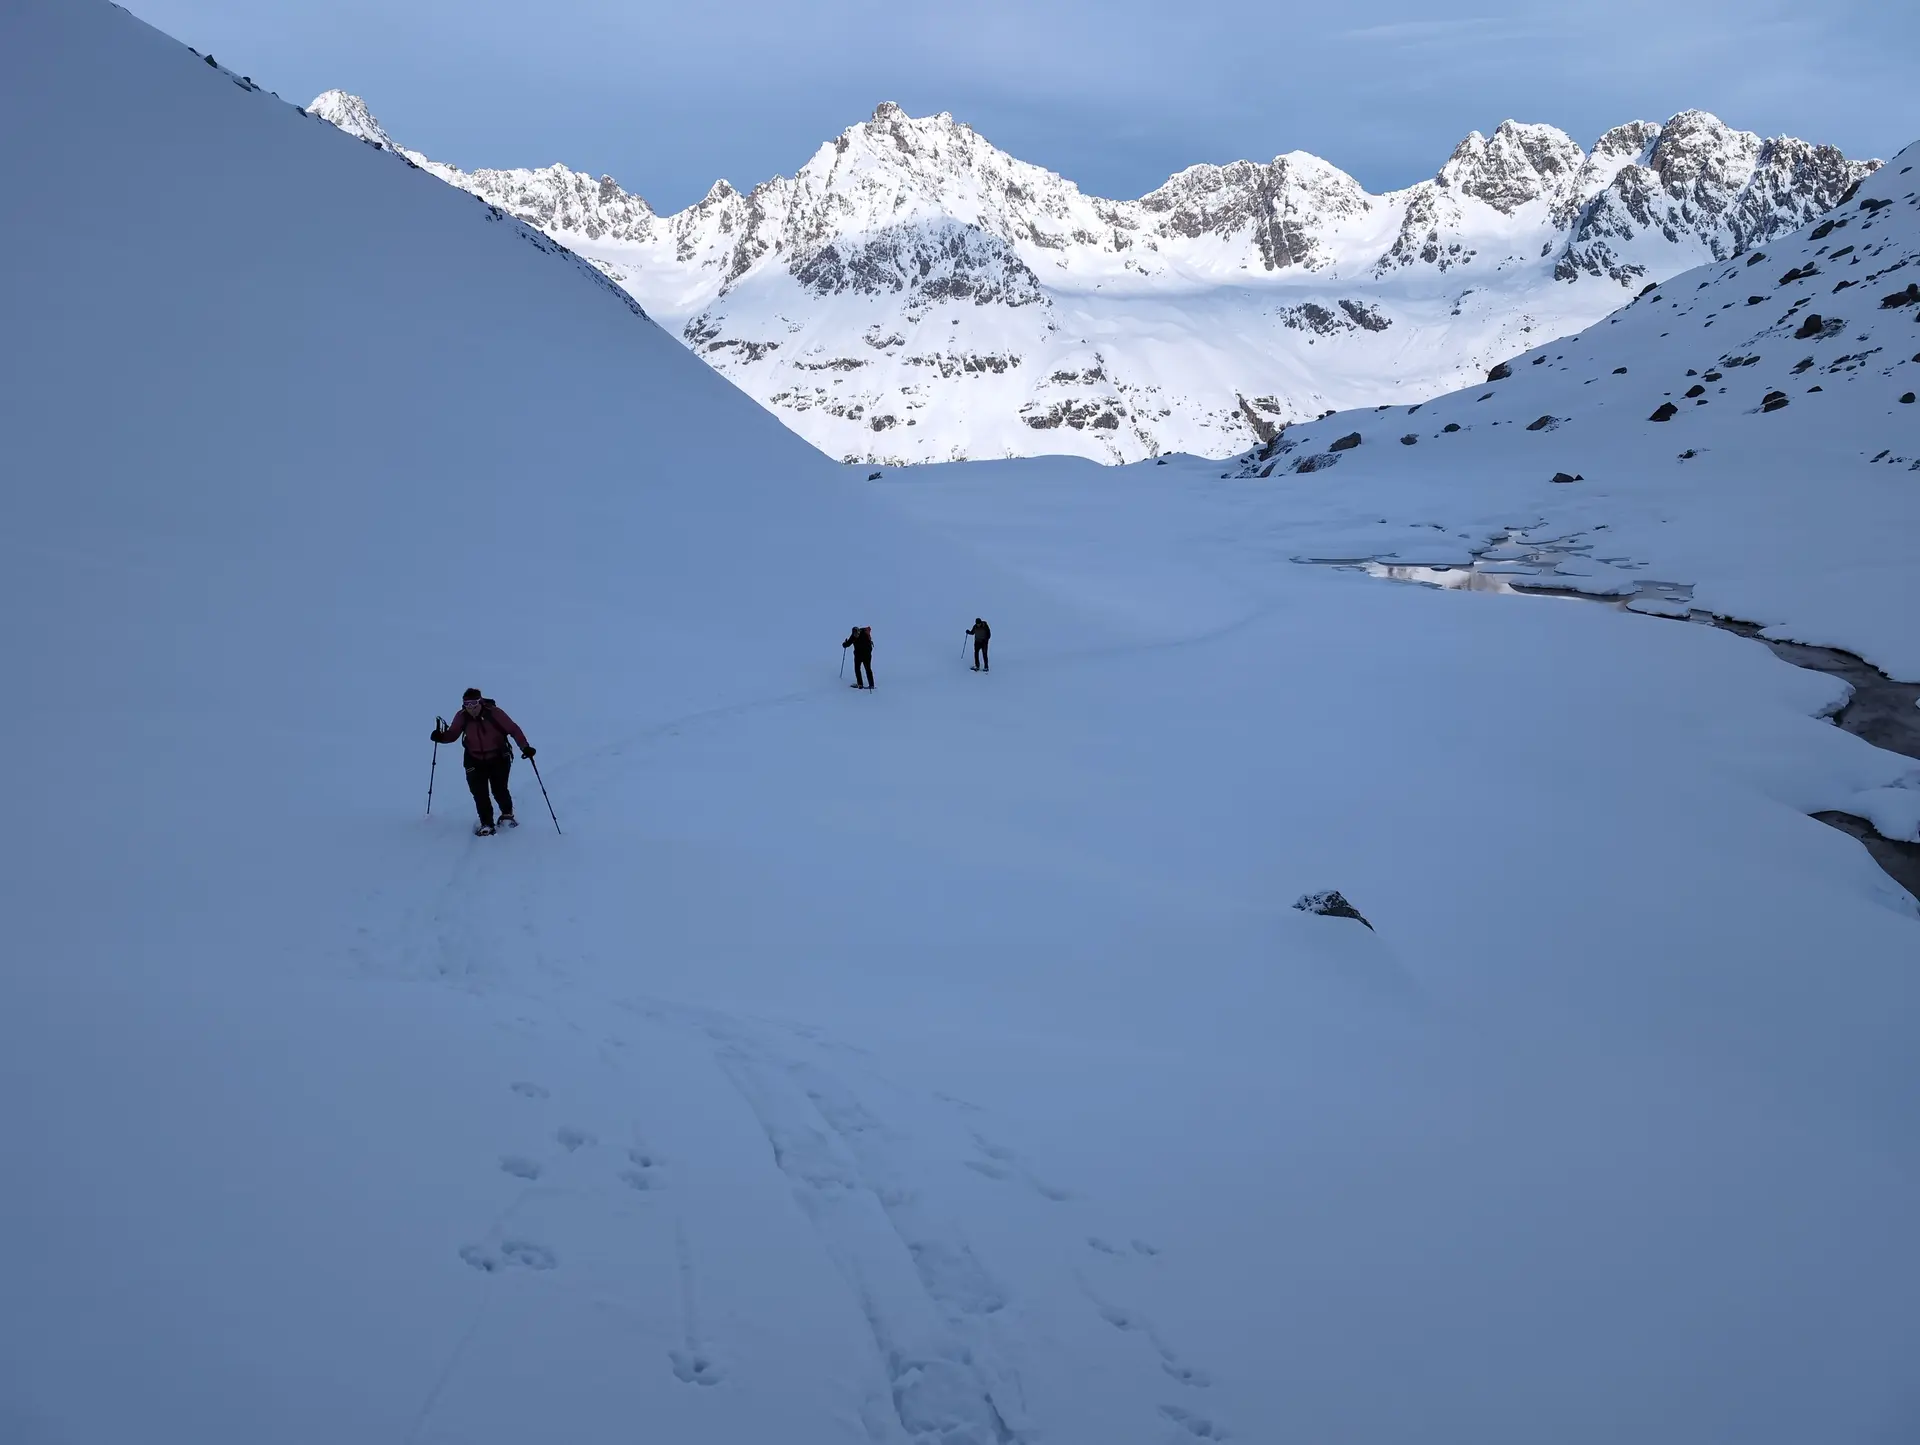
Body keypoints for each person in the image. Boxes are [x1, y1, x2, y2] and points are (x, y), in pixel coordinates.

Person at [431, 688, 535, 835]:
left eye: (474, 703)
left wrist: (525, 747)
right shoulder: (462, 716)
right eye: (467, 704)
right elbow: (453, 734)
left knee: (499, 789)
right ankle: (486, 823)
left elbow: (513, 729)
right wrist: (441, 737)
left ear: (480, 702)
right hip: (474, 759)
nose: (471, 707)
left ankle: (507, 814)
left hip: (498, 756)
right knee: (479, 793)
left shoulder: (495, 713)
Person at [842, 625, 875, 689]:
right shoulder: (853, 636)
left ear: (859, 632)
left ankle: (871, 685)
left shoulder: (864, 635)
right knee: (858, 669)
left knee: (867, 669)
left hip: (865, 655)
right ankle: (860, 684)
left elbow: (869, 647)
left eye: (857, 634)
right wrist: (844, 644)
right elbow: (848, 643)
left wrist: (866, 653)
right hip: (859, 655)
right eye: (855, 634)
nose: (856, 635)